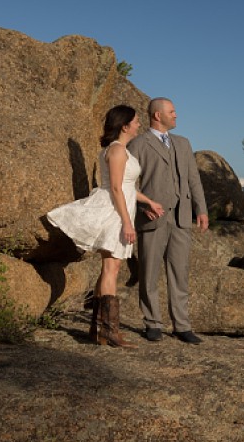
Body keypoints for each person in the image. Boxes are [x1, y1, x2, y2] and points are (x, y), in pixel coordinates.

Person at [47, 105, 165, 348]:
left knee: (109, 269)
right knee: (112, 268)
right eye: (134, 122)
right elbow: (115, 188)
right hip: (114, 212)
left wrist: (148, 202)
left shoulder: (119, 151)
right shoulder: (117, 151)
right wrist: (126, 223)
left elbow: (128, 187)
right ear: (124, 126)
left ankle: (98, 330)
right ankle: (110, 332)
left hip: (120, 209)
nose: (138, 125)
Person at [128, 97, 209, 344]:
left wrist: (201, 209)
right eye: (172, 112)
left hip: (182, 217)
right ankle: (152, 323)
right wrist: (143, 205)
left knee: (180, 274)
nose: (176, 116)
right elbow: (127, 182)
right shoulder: (138, 144)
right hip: (153, 217)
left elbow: (193, 179)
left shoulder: (183, 144)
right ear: (157, 115)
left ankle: (182, 326)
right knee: (149, 272)